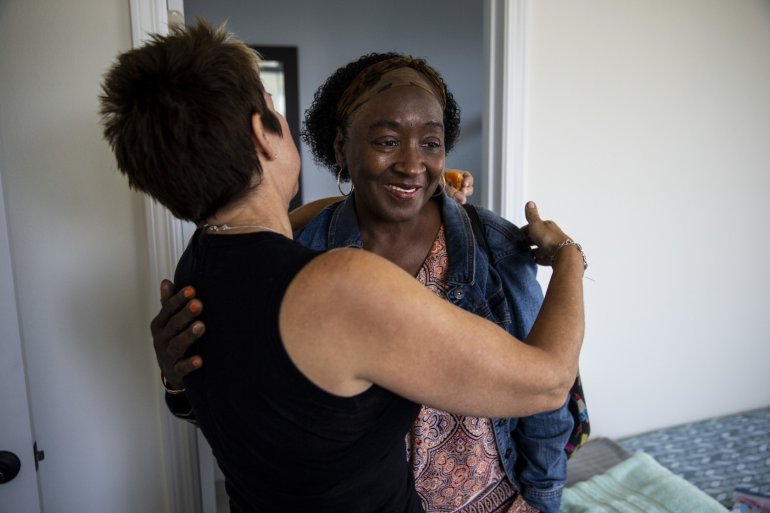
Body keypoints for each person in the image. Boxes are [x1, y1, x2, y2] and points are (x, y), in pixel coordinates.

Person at [101, 20, 585, 513]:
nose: (412, 163)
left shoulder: (195, 270)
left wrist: (176, 383)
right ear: (262, 136)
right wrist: (569, 256)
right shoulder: (338, 278)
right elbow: (548, 381)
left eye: (431, 143)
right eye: (274, 111)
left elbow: (256, 415)